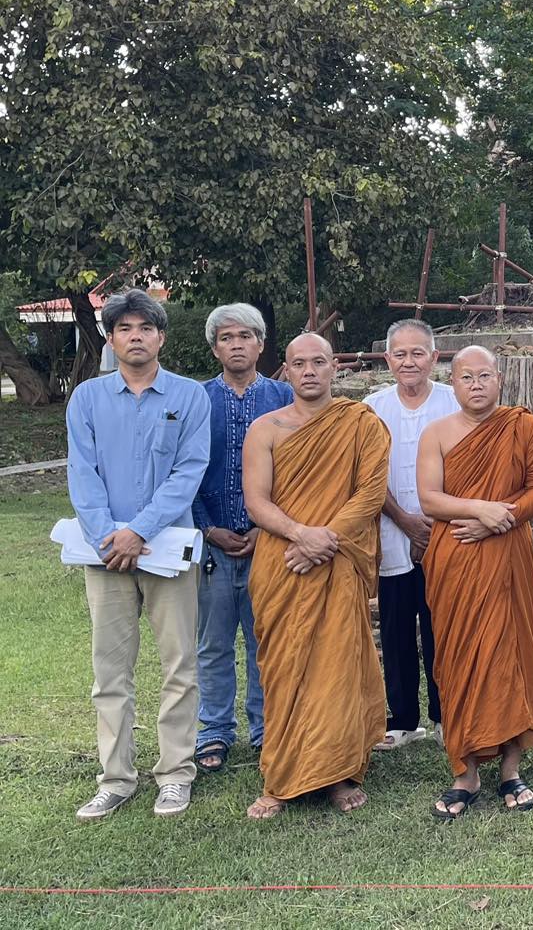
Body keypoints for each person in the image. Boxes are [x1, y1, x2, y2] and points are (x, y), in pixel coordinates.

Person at [66, 289, 210, 820]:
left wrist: (140, 531)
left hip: (167, 549)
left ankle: (175, 774)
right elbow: (83, 476)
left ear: (161, 336)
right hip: (103, 554)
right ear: (111, 337)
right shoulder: (87, 399)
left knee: (179, 664)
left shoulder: (189, 397)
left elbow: (189, 472)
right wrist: (111, 536)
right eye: (124, 328)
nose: (135, 337)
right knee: (110, 670)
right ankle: (116, 778)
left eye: (145, 328)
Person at [241, 333, 391, 819]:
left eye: (319, 362)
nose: (309, 371)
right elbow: (256, 501)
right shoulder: (265, 429)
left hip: (336, 558)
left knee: (338, 665)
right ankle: (281, 777)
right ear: (284, 370)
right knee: (283, 666)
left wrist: (323, 539)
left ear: (335, 368)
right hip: (282, 563)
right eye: (299, 363)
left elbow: (370, 494)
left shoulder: (360, 422)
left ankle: (339, 773)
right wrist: (301, 534)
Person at [417, 346, 533, 818]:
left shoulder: (523, 426)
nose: (476, 384)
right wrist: (480, 510)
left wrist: (501, 520)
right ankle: (465, 772)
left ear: (500, 379)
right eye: (465, 377)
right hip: (455, 556)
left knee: (510, 652)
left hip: (508, 553)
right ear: (451, 384)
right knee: (458, 657)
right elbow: (430, 500)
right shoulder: (436, 433)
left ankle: (511, 769)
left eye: (484, 376)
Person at [191, 303, 293, 774]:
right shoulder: (195, 400)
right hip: (210, 542)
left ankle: (266, 729)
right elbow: (184, 471)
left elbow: (295, 474)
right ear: (215, 348)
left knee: (264, 638)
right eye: (227, 337)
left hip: (267, 542)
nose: (237, 344)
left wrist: (263, 527)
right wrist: (207, 526)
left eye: (245, 336)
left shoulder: (283, 397)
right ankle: (213, 731)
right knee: (211, 643)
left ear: (260, 343)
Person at [363, 319, 458, 752]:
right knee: (397, 627)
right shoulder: (372, 406)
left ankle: (445, 715)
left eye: (418, 353)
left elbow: (464, 471)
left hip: (447, 535)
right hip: (391, 531)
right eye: (399, 354)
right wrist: (404, 519)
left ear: (434, 358)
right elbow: (366, 475)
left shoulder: (454, 402)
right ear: (387, 359)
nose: (409, 361)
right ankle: (402, 718)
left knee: (443, 626)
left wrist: (432, 526)